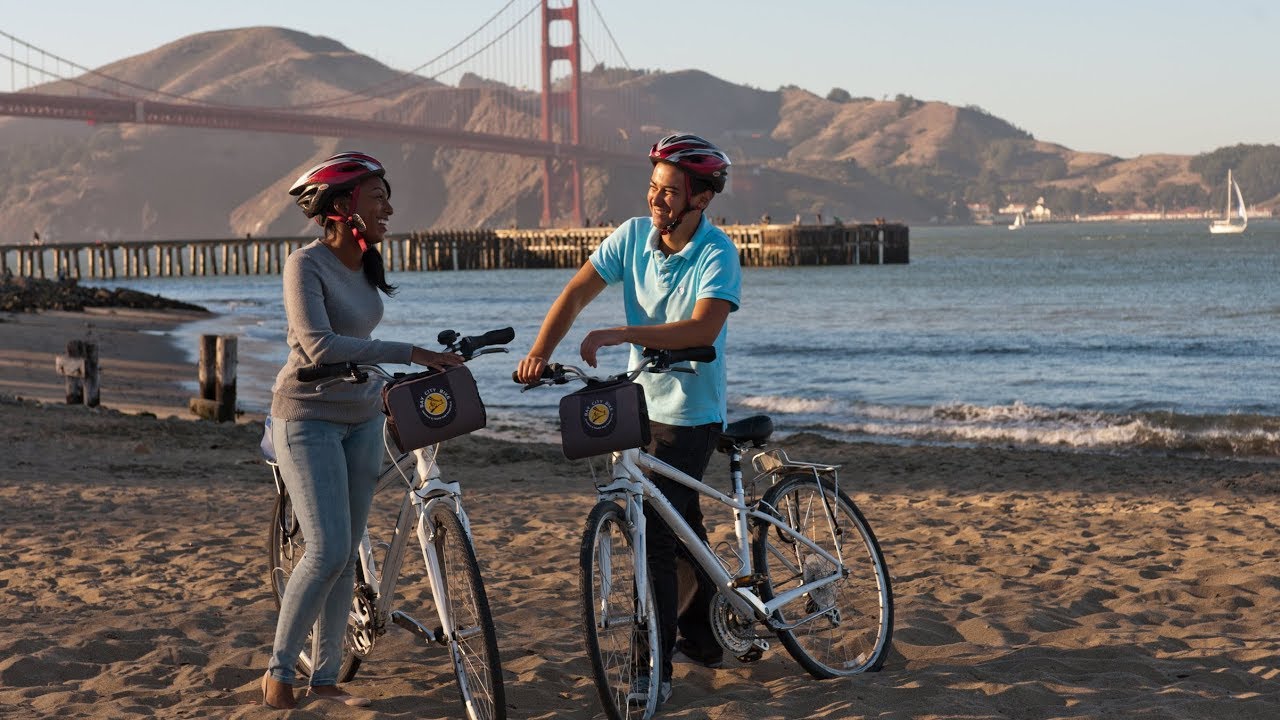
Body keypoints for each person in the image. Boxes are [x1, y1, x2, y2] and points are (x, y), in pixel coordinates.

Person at [515, 133, 741, 709]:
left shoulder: (717, 253)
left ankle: (653, 668)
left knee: (656, 537)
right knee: (678, 529)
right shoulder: (633, 236)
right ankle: (706, 638)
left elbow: (703, 329)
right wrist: (540, 353)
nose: (656, 200)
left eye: (670, 192)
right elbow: (576, 292)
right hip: (640, 406)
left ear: (701, 198)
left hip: (690, 413)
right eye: (653, 188)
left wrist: (623, 332)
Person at [261, 152, 462, 709]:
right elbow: (318, 345)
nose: (388, 209)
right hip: (307, 417)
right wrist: (411, 351)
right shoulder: (304, 265)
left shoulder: (365, 263)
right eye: (377, 199)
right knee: (327, 550)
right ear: (342, 207)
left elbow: (359, 342)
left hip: (363, 416)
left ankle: (325, 679)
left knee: (347, 553)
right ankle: (279, 672)